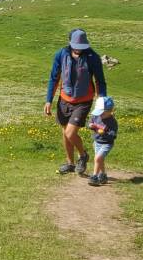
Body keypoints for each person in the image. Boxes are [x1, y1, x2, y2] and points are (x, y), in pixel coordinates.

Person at [44, 29, 107, 175]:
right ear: (70, 43)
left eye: (82, 47)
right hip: (64, 99)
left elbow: (100, 81)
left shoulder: (93, 57)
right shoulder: (61, 54)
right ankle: (70, 163)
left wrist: (101, 102)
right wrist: (48, 100)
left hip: (83, 101)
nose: (79, 49)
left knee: (70, 132)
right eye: (76, 46)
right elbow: (54, 78)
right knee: (65, 133)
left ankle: (83, 155)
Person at [88, 96, 118, 186]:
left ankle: (94, 177)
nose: (100, 115)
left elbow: (113, 135)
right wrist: (90, 125)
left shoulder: (112, 122)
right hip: (97, 142)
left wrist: (104, 131)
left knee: (97, 158)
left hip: (106, 144)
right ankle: (103, 175)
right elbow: (91, 121)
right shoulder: (96, 116)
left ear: (110, 111)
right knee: (100, 160)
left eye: (103, 113)